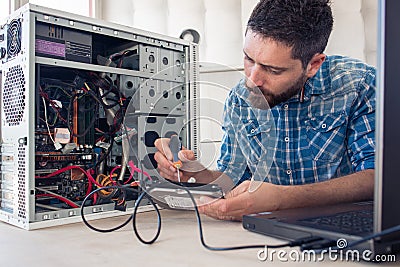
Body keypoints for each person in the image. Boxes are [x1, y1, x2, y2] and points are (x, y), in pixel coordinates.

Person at [154, 0, 376, 221]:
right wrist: (197, 173)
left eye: (273, 70)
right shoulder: (239, 100)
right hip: (263, 238)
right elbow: (233, 179)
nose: (252, 81)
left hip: (346, 230)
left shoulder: (360, 85)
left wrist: (282, 199)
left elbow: (378, 178)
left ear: (313, 64)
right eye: (249, 59)